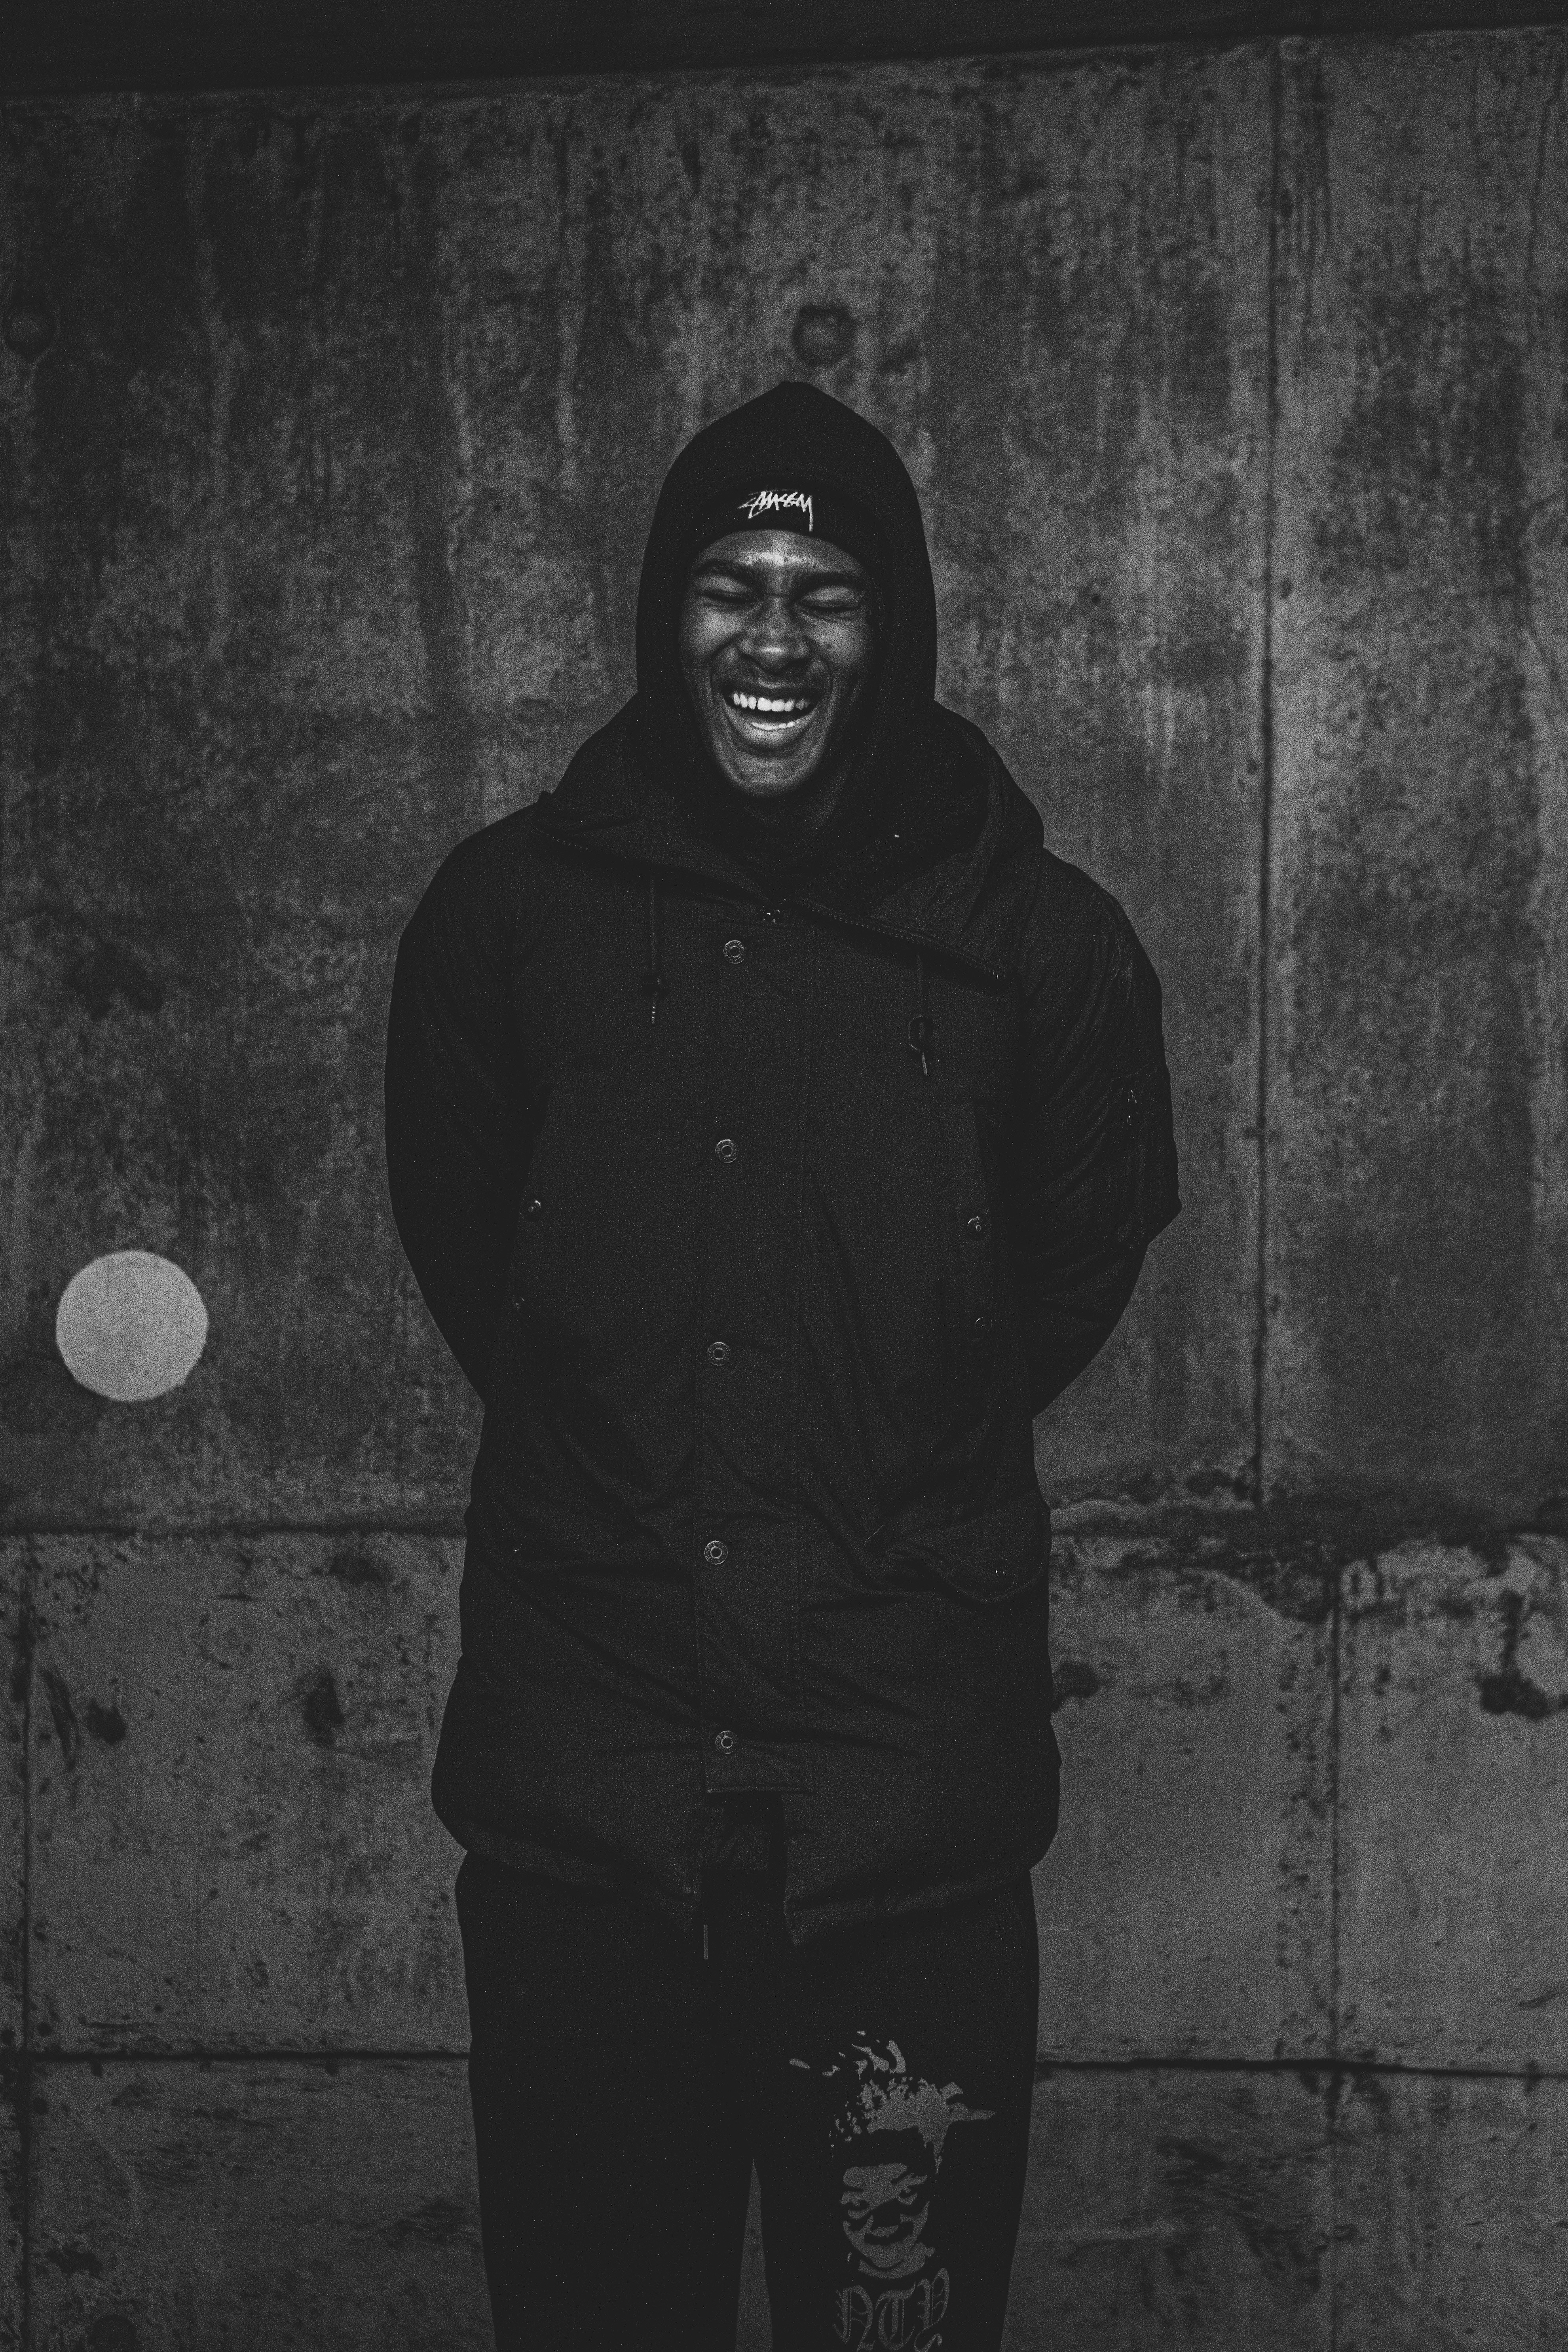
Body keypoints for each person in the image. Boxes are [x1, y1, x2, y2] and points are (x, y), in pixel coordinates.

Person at [384, 381, 1179, 2350]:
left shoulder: (1043, 952)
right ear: (667, 615)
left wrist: (866, 1437)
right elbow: (479, 1258)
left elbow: (1059, 1288)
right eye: (731, 584)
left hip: (899, 1806)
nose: (771, 635)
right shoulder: (507, 920)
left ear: (888, 629)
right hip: (591, 1801)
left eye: (824, 591)